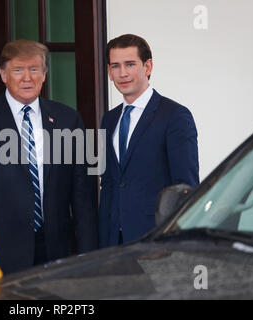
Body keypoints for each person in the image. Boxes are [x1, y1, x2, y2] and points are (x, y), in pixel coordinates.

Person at [0, 39, 98, 274]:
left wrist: (88, 252)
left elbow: (82, 195)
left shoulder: (69, 119)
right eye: (18, 70)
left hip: (55, 251)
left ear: (44, 74)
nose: (27, 78)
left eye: (34, 69)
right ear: (3, 74)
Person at [99, 34, 199, 248]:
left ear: (148, 66)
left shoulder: (175, 116)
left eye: (130, 64)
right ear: (109, 72)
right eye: (115, 66)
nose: (122, 73)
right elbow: (108, 183)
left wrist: (175, 242)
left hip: (157, 241)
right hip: (113, 243)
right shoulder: (108, 119)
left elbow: (185, 187)